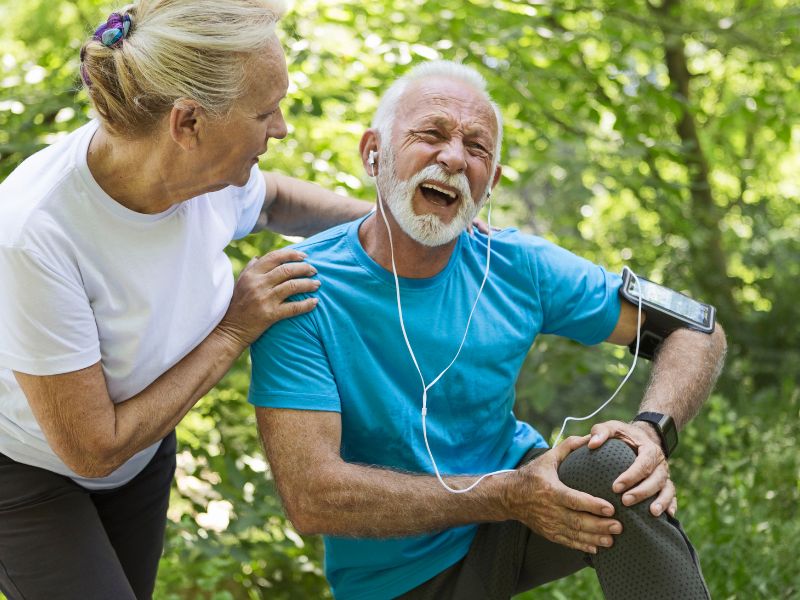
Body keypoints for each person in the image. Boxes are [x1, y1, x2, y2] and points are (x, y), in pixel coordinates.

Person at [248, 60, 728, 600]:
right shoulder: (300, 288)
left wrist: (651, 430)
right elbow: (313, 497)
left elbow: (696, 329)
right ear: (372, 153)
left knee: (619, 469)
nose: (454, 158)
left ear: (490, 183)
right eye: (430, 134)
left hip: (519, 511)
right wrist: (505, 495)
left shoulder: (514, 263)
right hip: (396, 573)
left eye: (477, 149)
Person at [0, 1, 374, 598]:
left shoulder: (204, 175)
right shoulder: (35, 234)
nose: (281, 128)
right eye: (265, 111)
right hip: (33, 470)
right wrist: (233, 329)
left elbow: (275, 200)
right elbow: (91, 449)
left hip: (142, 451)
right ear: (188, 123)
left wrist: (387, 224)